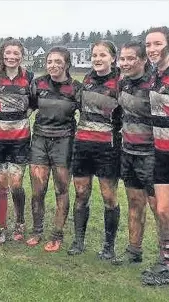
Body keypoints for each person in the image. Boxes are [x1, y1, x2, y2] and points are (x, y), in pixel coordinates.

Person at [68, 40, 122, 259]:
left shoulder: (120, 81)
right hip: (82, 145)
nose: (97, 59)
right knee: (81, 194)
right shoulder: (87, 79)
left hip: (108, 148)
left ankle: (109, 246)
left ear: (112, 58)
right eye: (94, 55)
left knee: (109, 196)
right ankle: (78, 241)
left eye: (102, 55)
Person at [26, 46, 82, 252]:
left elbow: (86, 114)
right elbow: (29, 107)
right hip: (40, 140)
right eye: (50, 61)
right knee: (38, 190)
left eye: (58, 61)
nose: (53, 65)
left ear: (67, 64)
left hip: (64, 143)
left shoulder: (76, 88)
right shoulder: (38, 84)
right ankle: (37, 231)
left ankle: (57, 235)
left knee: (61, 190)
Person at [112, 41, 158, 266]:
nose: (126, 63)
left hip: (152, 155)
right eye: (122, 59)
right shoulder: (123, 83)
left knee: (159, 208)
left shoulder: (154, 84)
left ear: (143, 60)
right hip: (128, 151)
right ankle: (134, 251)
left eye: (131, 59)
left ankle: (164, 259)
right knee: (134, 202)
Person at [0, 38, 34, 244]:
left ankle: (20, 222)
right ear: (2, 55)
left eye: (16, 53)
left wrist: (22, 118)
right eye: (8, 53)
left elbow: (34, 103)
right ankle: (2, 227)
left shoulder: (29, 77)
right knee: (1, 184)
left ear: (21, 56)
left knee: (16, 184)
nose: (12, 57)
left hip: (20, 139)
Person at [142, 26, 169, 286]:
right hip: (160, 151)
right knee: (162, 210)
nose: (152, 49)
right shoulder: (154, 76)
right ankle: (165, 262)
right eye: (148, 44)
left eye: (157, 43)